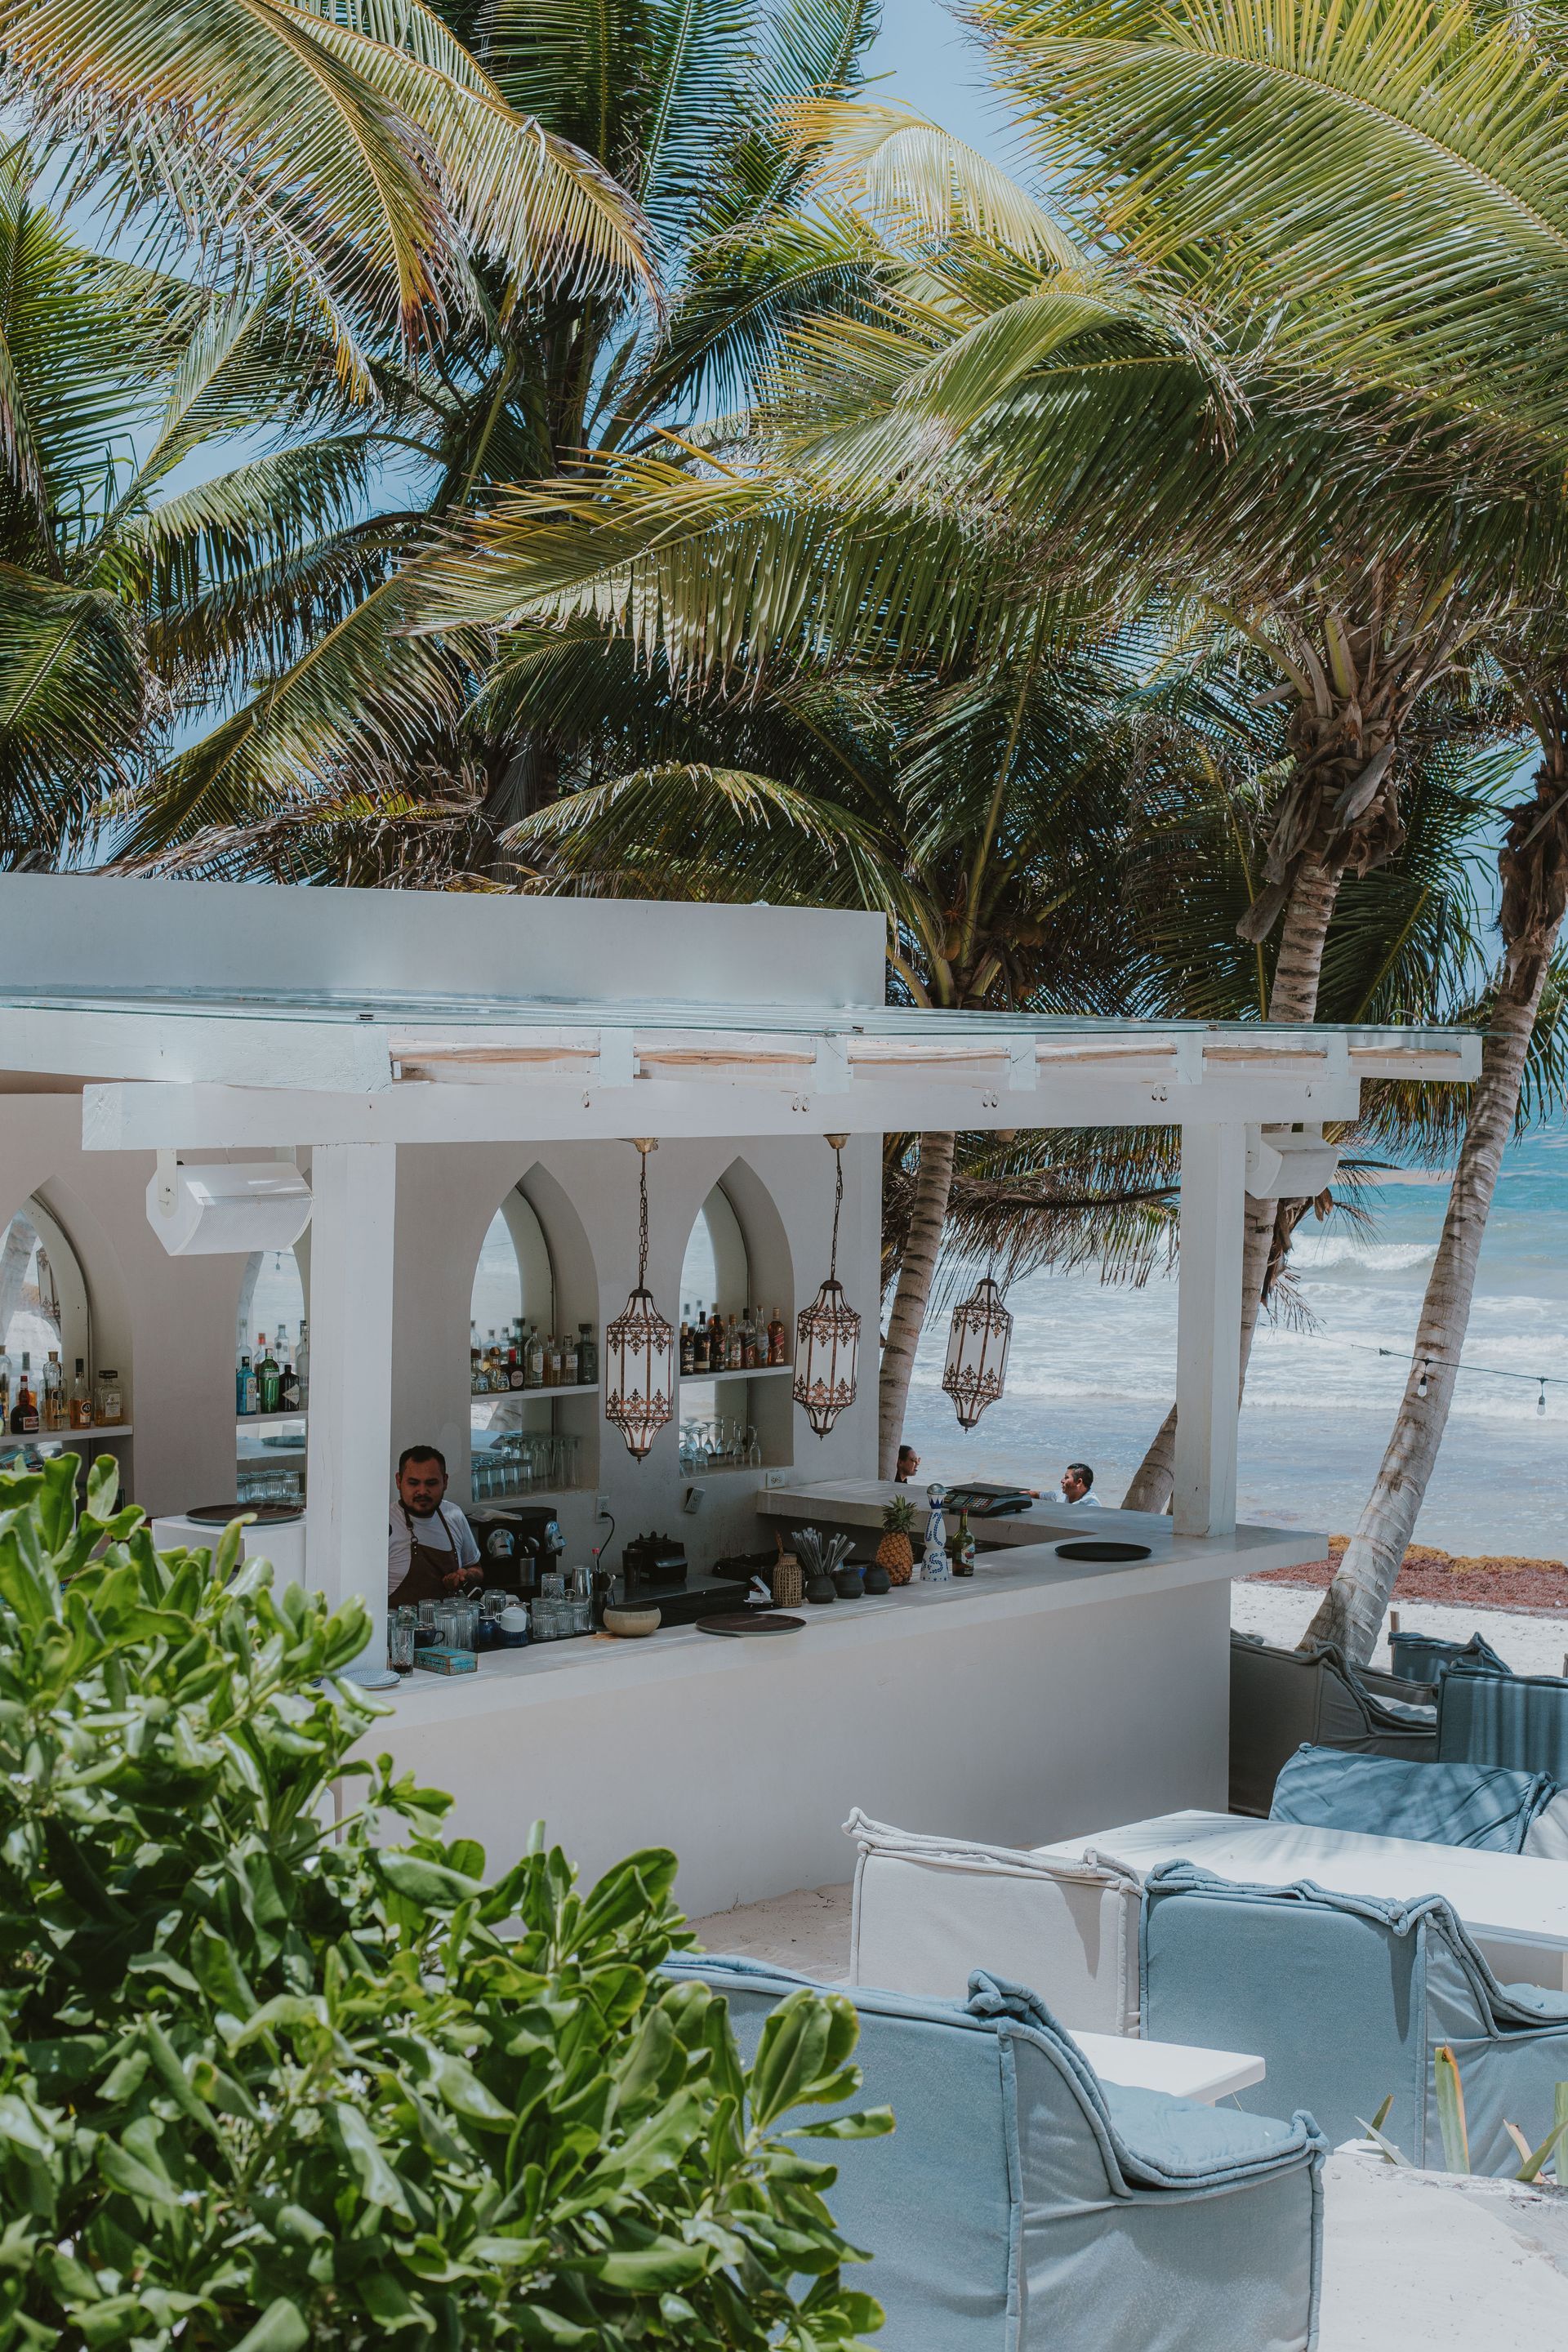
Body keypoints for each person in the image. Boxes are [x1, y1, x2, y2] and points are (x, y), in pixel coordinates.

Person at [389, 1445, 481, 1606]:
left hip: (449, 1626)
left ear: (445, 1482)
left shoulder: (454, 1515)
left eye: (431, 1483)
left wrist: (466, 1576)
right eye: (413, 1483)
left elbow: (476, 1567)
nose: (422, 1491)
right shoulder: (384, 1522)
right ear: (398, 1481)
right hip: (401, 1628)